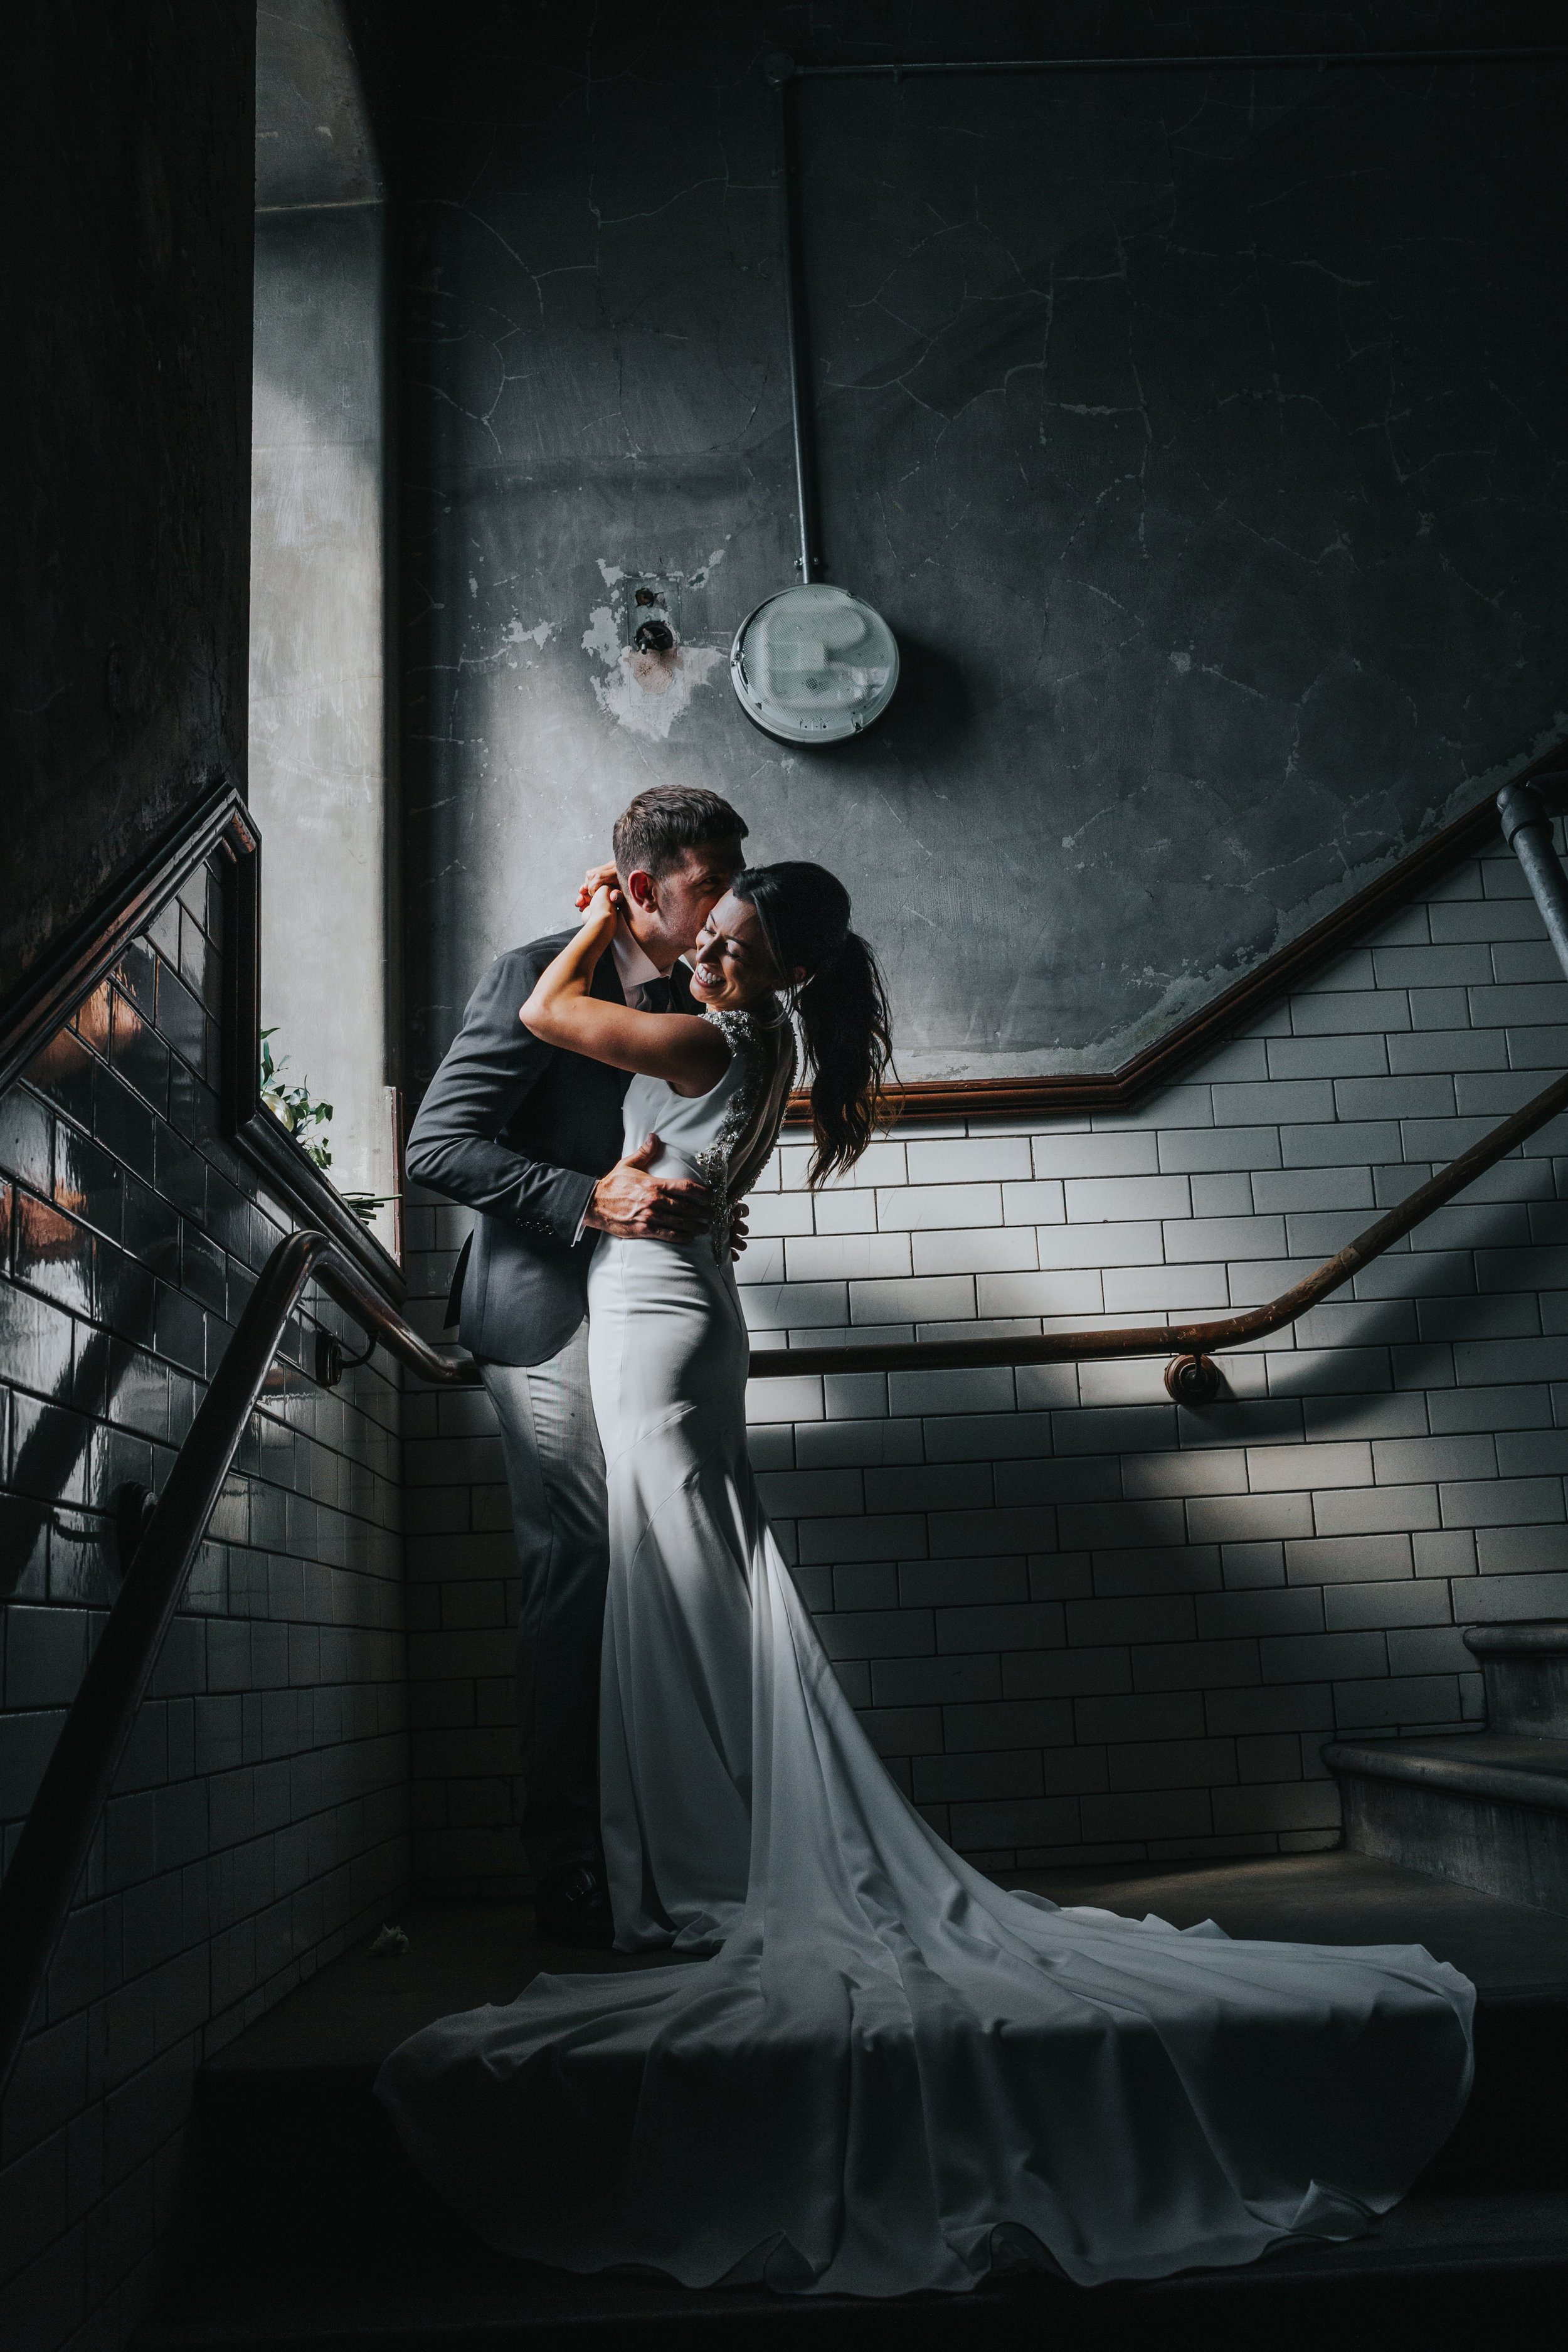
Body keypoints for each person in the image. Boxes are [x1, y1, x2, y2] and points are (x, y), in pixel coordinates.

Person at [379, 862, 1475, 2298]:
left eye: (734, 950)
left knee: (689, 1586)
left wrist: (597, 911)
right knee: (685, 1586)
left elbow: (542, 1009)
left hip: (656, 1328)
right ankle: (701, 1853)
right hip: (660, 1313)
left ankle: (709, 1864)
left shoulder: (716, 1035)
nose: (707, 962)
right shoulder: (760, 1043)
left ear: (778, 975)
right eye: (706, 938)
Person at [403, 785, 749, 1947]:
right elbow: (438, 1144)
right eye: (709, 886)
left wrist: (692, 1201)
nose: (724, 911)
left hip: (646, 1313)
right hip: (545, 1309)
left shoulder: (709, 999)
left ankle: (668, 1841)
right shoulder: (538, 969)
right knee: (586, 1559)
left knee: (673, 1563)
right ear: (645, 890)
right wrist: (584, 1199)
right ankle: (571, 1869)